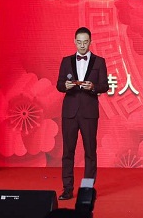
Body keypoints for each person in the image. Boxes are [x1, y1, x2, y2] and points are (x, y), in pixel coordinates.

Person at [56, 27, 108, 201]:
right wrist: (66, 86)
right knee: (68, 152)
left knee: (90, 152)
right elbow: (59, 84)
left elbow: (105, 86)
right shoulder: (66, 61)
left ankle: (87, 190)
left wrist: (93, 87)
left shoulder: (99, 61)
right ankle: (67, 189)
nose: (82, 45)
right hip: (70, 112)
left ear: (90, 42)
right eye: (79, 42)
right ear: (74, 42)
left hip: (89, 112)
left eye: (85, 42)